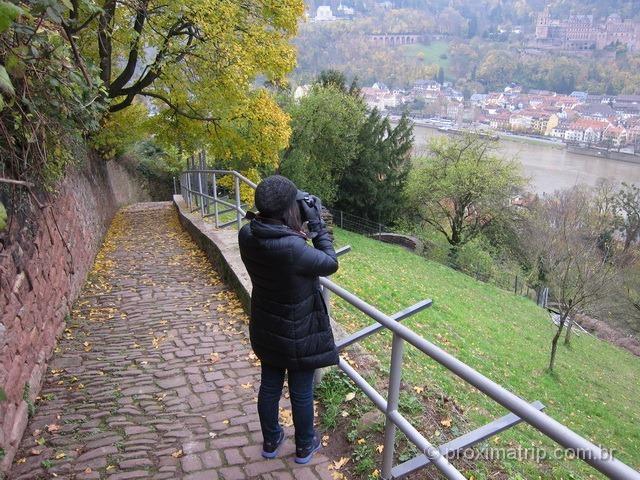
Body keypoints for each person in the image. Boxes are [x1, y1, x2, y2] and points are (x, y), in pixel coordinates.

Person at [238, 175, 339, 464]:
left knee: (269, 385)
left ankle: (271, 441)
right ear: (288, 210)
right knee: (301, 391)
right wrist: (317, 224)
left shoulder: (246, 234)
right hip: (299, 332)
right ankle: (305, 446)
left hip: (266, 325)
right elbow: (330, 263)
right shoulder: (293, 250)